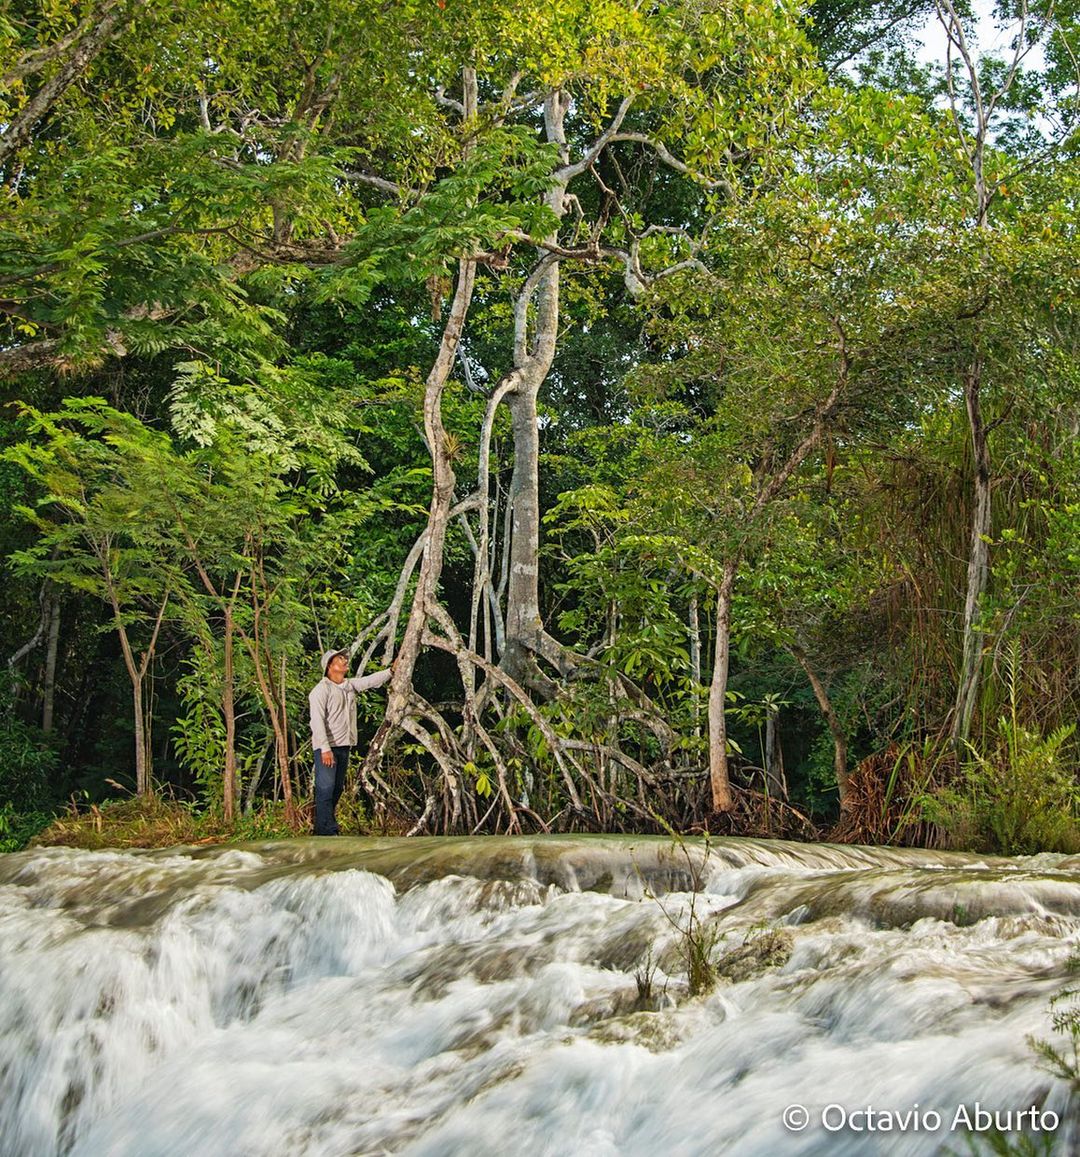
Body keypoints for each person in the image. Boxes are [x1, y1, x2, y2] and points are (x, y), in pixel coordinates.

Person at [309, 648, 393, 836]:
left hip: (344, 745)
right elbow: (316, 721)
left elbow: (369, 681)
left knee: (337, 787)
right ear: (330, 665)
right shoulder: (320, 691)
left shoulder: (348, 686)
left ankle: (322, 827)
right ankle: (328, 830)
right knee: (325, 787)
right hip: (327, 748)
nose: (345, 660)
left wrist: (390, 672)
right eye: (340, 658)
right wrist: (325, 749)